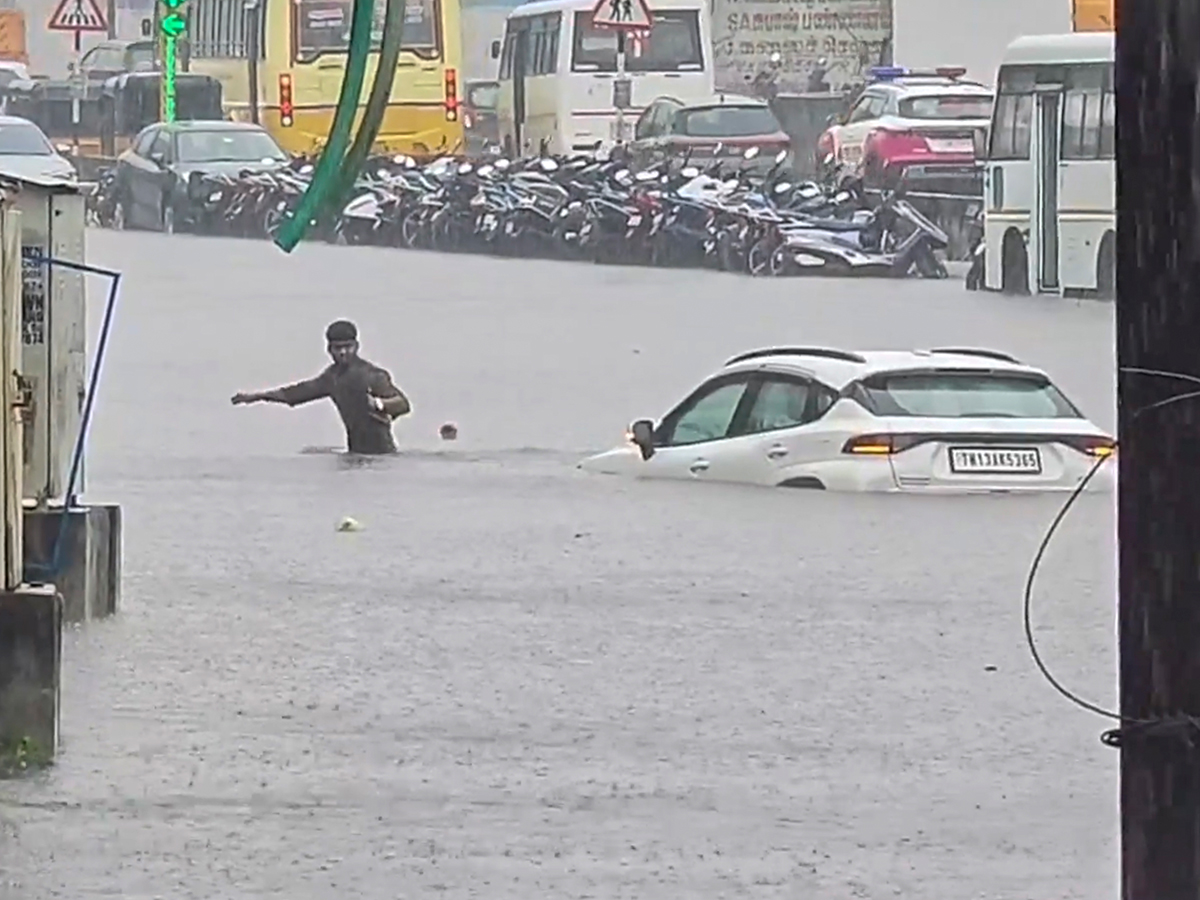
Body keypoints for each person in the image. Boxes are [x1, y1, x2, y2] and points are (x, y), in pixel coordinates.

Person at [231, 320, 411, 455]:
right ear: (329, 349)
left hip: (383, 457)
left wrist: (379, 404)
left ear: (356, 346)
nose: (342, 352)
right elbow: (295, 394)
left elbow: (403, 404)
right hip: (356, 453)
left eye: (347, 347)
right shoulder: (332, 378)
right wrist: (256, 397)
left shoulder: (372, 375)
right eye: (337, 348)